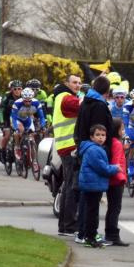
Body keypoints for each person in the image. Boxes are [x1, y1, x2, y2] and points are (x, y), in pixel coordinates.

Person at [78, 124, 120, 248]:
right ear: (91, 137)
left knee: (92, 211)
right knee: (92, 212)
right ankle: (90, 237)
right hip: (92, 185)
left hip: (93, 184)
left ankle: (91, 235)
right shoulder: (94, 150)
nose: (101, 138)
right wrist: (115, 168)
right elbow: (102, 168)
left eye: (103, 135)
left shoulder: (96, 148)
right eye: (97, 135)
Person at [52, 74, 82, 236]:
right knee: (72, 187)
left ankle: (64, 226)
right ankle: (70, 225)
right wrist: (94, 97)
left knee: (68, 185)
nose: (78, 85)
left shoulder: (62, 96)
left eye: (79, 83)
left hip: (65, 146)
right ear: (66, 83)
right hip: (70, 147)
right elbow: (80, 105)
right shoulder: (65, 97)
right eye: (74, 82)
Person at [105, 118, 129, 246]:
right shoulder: (117, 144)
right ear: (117, 130)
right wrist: (121, 178)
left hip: (112, 180)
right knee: (115, 208)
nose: (124, 131)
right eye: (122, 128)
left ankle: (110, 233)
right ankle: (113, 235)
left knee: (112, 207)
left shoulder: (113, 142)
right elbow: (116, 162)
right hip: (116, 180)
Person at [75, 75, 115, 150]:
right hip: (96, 149)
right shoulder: (99, 105)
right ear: (107, 90)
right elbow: (99, 129)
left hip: (85, 146)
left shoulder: (86, 101)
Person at [10, 88, 46, 154]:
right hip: (18, 119)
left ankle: (32, 157)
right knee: (20, 131)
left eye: (29, 101)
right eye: (25, 101)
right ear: (22, 99)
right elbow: (14, 118)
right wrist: (16, 128)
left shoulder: (36, 103)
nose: (27, 103)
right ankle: (17, 147)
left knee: (32, 136)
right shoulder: (17, 103)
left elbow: (42, 117)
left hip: (27, 120)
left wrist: (42, 126)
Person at [0, 81, 24, 161]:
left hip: (18, 117)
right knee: (7, 135)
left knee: (23, 132)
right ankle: (3, 151)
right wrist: (2, 121)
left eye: (19, 89)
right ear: (11, 90)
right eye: (15, 89)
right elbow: (1, 110)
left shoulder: (24, 96)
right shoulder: (7, 96)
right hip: (7, 117)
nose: (17, 91)